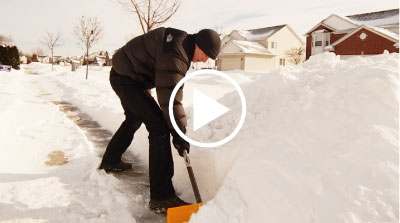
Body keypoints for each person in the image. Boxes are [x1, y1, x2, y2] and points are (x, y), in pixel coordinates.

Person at [99, 27, 221, 213]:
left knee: (135, 117)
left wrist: (178, 132)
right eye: (206, 55)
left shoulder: (181, 48)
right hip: (125, 78)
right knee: (159, 127)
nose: (206, 60)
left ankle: (111, 160)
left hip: (129, 76)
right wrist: (178, 133)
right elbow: (170, 99)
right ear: (198, 45)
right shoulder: (176, 53)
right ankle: (162, 196)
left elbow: (172, 90)